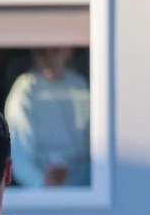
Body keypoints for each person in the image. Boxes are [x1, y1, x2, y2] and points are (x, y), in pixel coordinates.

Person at [5, 47, 91, 188]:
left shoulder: (79, 86)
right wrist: (43, 183)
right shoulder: (26, 89)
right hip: (39, 192)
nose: (48, 57)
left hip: (80, 187)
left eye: (55, 50)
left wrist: (76, 177)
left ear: (68, 51)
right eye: (42, 51)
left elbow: (92, 146)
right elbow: (18, 155)